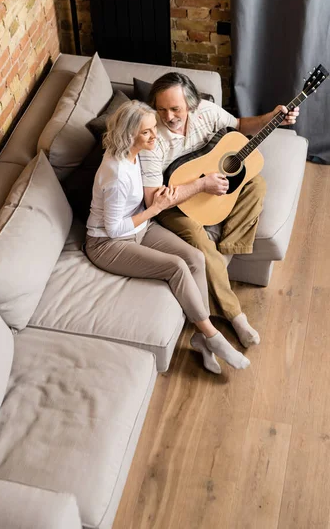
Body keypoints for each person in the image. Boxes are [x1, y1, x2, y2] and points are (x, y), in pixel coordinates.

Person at [86, 100, 250, 373]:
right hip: (107, 243)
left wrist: (159, 200)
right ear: (129, 136)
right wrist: (155, 208)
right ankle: (213, 337)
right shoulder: (115, 174)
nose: (155, 135)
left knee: (195, 257)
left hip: (139, 227)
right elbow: (114, 229)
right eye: (147, 132)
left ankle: (201, 338)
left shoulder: (134, 154)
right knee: (176, 267)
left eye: (153, 129)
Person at [139, 72, 300, 347]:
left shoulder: (206, 112)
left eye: (176, 109)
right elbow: (155, 200)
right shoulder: (152, 139)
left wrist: (271, 117)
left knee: (256, 185)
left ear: (190, 104)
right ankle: (235, 315)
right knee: (198, 239)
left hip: (207, 184)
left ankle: (225, 253)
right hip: (171, 204)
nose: (169, 117)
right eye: (161, 109)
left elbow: (239, 125)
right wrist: (201, 186)